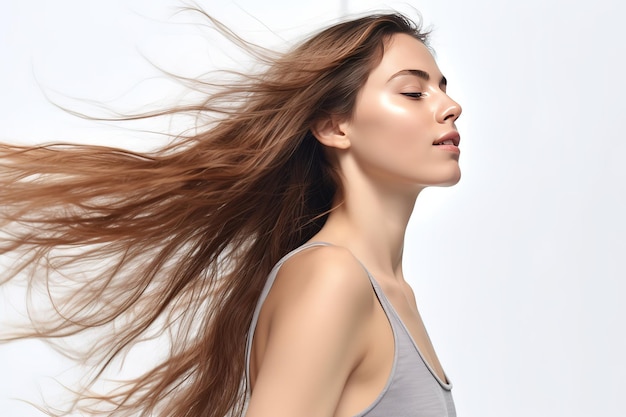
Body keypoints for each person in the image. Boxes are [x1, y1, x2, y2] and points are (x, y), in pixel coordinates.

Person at [0, 10, 462, 417]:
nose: (450, 106)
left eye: (442, 88)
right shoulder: (333, 279)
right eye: (413, 92)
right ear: (333, 125)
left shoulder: (389, 291)